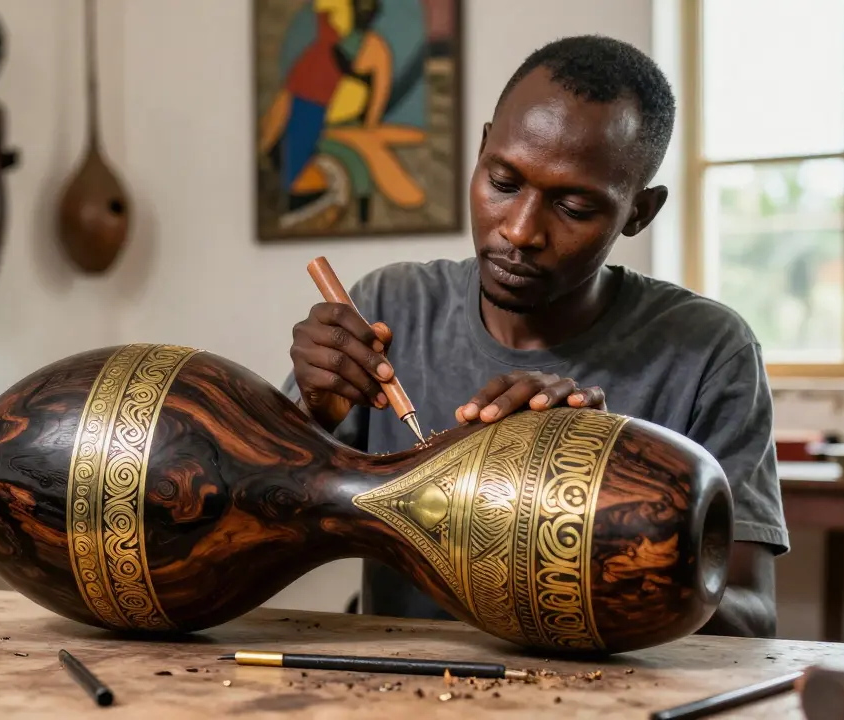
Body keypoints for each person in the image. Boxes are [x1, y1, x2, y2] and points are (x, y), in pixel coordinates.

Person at [281, 34, 787, 638]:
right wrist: (308, 424)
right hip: (398, 681)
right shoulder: (390, 309)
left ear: (639, 212)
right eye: (502, 182)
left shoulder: (708, 353)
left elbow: (753, 618)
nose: (519, 231)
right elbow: (249, 528)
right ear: (481, 149)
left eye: (573, 208)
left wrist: (594, 513)